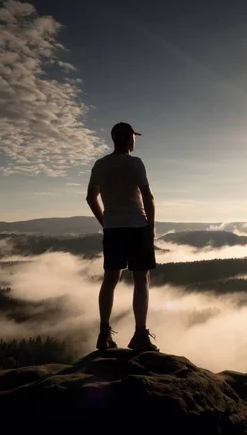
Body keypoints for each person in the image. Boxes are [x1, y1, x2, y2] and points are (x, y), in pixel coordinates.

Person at [86, 122, 159, 352]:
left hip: (113, 229)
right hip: (137, 226)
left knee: (110, 280)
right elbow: (148, 197)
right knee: (141, 279)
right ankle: (140, 335)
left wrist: (105, 222)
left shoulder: (100, 165)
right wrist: (151, 228)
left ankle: (104, 334)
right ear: (129, 140)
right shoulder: (135, 163)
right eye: (134, 138)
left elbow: (90, 197)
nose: (134, 141)